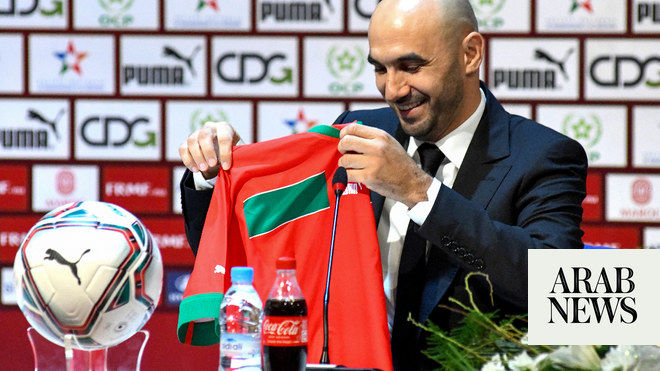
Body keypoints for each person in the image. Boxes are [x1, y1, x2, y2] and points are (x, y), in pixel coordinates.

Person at [178, 0, 587, 369]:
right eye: (379, 68)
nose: (393, 89)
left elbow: (554, 286)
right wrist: (213, 176)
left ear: (470, 53)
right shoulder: (353, 133)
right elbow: (253, 256)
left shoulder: (543, 156)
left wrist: (418, 191)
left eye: (411, 67)